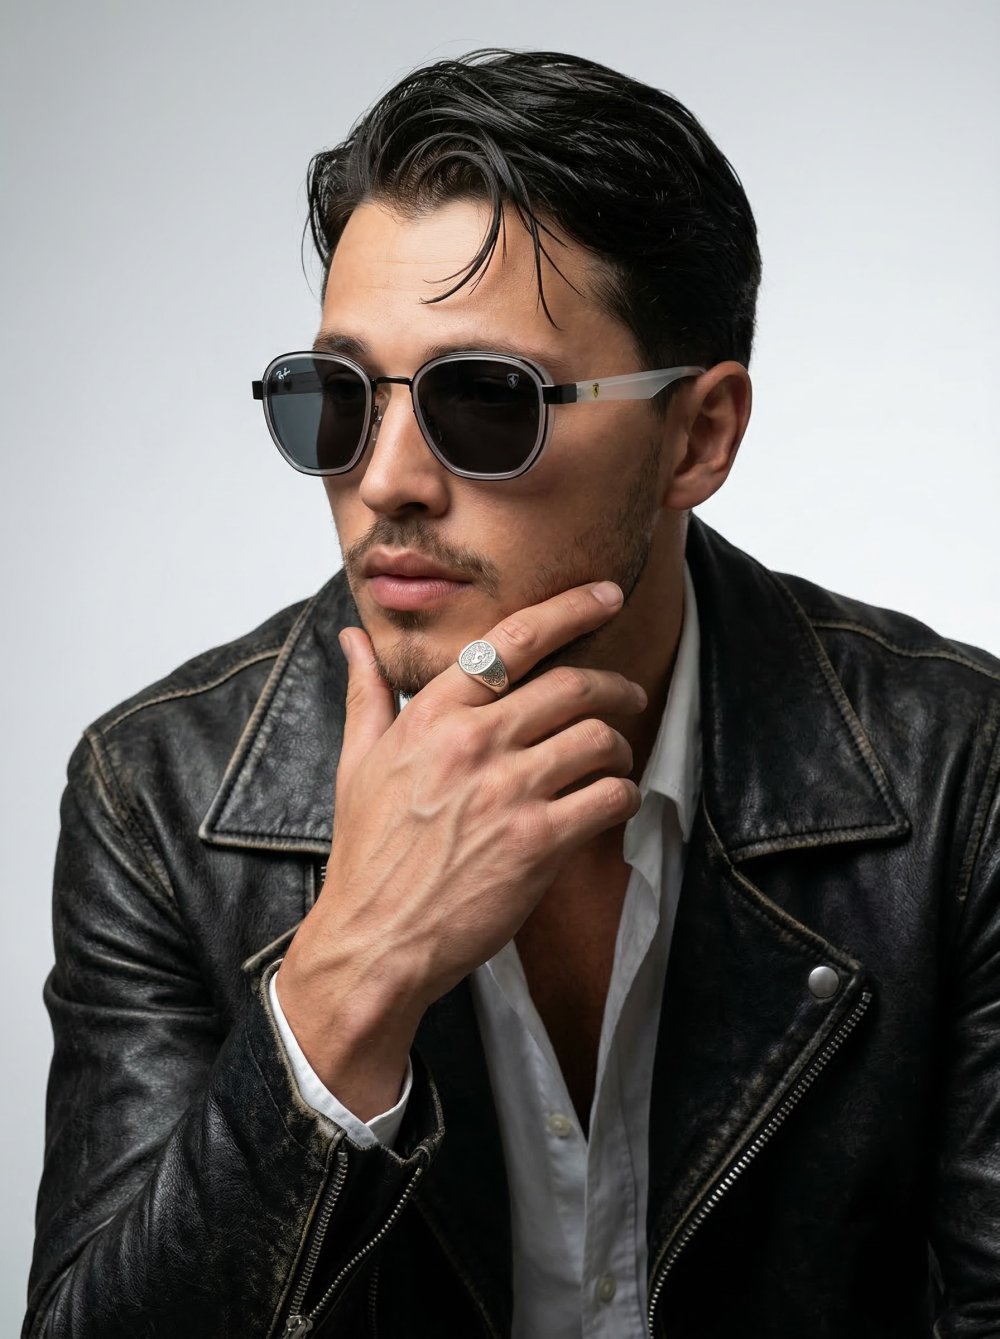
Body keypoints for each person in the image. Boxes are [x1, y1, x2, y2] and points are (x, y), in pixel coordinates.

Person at [23, 48, 1000, 1339]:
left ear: (698, 436)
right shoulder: (157, 797)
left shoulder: (957, 774)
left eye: (486, 400)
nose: (387, 480)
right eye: (336, 400)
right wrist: (343, 987)